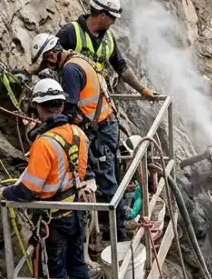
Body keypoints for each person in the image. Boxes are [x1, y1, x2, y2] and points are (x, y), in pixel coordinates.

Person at [0, 79, 93, 279]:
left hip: (55, 218)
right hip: (76, 210)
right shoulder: (78, 134)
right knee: (78, 265)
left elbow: (28, 190)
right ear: (61, 105)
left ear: (38, 108)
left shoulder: (43, 144)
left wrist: (4, 193)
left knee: (57, 273)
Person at [36, 19, 138, 244]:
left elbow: (70, 108)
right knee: (108, 177)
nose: (49, 67)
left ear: (52, 56)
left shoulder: (70, 70)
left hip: (99, 130)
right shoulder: (78, 59)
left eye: (47, 62)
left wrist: (46, 128)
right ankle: (114, 230)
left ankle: (119, 238)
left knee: (108, 183)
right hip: (104, 125)